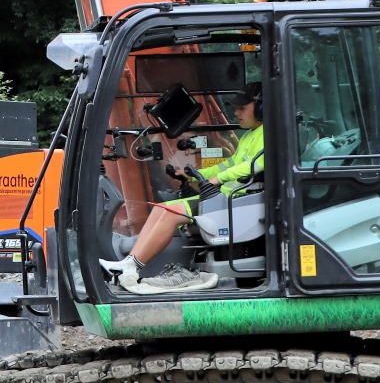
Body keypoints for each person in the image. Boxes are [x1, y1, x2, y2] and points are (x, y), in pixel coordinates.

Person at [109, 81, 267, 294]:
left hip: (239, 201)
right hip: (230, 198)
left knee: (172, 213)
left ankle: (132, 267)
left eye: (242, 108)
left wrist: (216, 180)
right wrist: (197, 173)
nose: (236, 112)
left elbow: (255, 165)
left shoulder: (269, 134)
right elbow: (231, 164)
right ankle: (129, 264)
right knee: (161, 208)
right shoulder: (250, 135)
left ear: (260, 108)